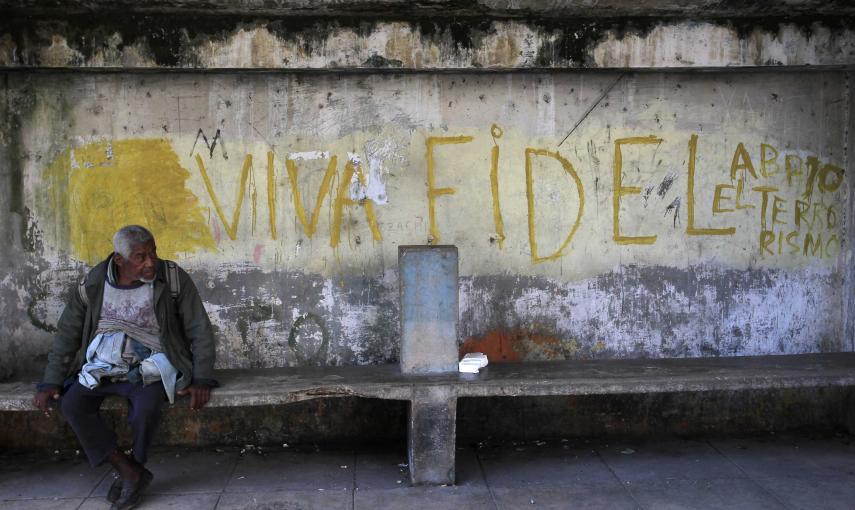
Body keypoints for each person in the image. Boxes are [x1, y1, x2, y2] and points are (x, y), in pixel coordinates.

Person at [32, 225, 218, 510]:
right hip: (102, 367)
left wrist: (202, 377)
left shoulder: (171, 277)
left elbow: (199, 327)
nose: (150, 262)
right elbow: (68, 333)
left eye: (153, 252)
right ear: (119, 260)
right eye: (140, 257)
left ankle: (135, 468)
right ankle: (128, 470)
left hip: (150, 367)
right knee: (72, 405)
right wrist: (50, 381)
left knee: (146, 410)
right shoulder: (94, 284)